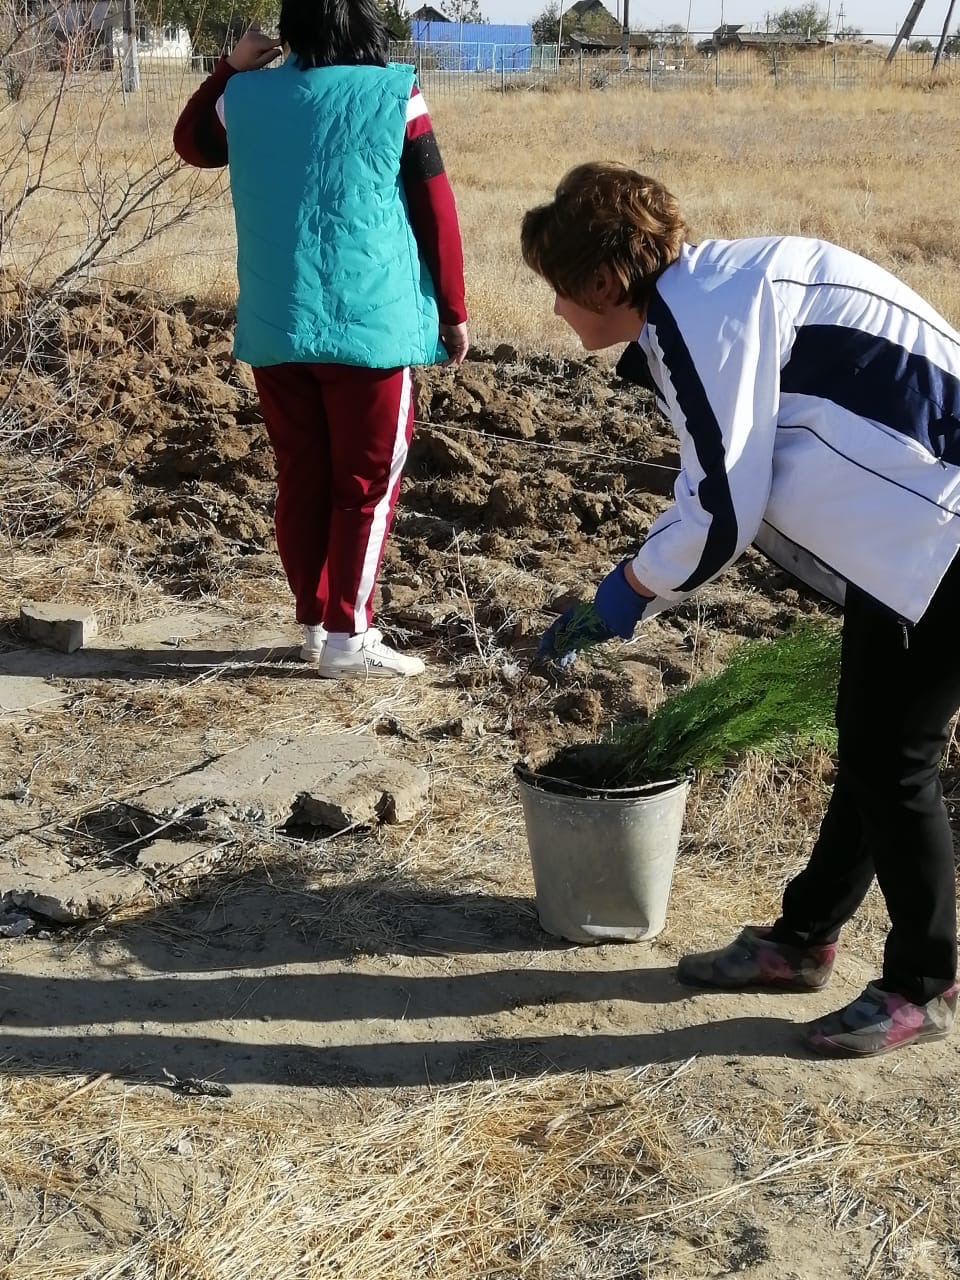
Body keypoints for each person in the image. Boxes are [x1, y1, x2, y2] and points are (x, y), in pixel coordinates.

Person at [521, 160, 960, 1059]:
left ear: (603, 281)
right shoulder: (711, 294)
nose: (557, 312)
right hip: (912, 534)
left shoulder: (704, 316)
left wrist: (624, 593)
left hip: (942, 527)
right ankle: (803, 940)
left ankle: (926, 982)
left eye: (560, 291)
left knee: (895, 756)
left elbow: (721, 509)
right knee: (874, 740)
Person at [173, 0, 469, 679]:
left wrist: (227, 68)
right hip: (373, 328)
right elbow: (435, 206)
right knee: (365, 486)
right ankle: (348, 635)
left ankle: (315, 622)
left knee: (302, 476)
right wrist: (452, 309)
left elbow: (191, 143)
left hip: (278, 326)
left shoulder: (246, 98)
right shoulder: (395, 91)